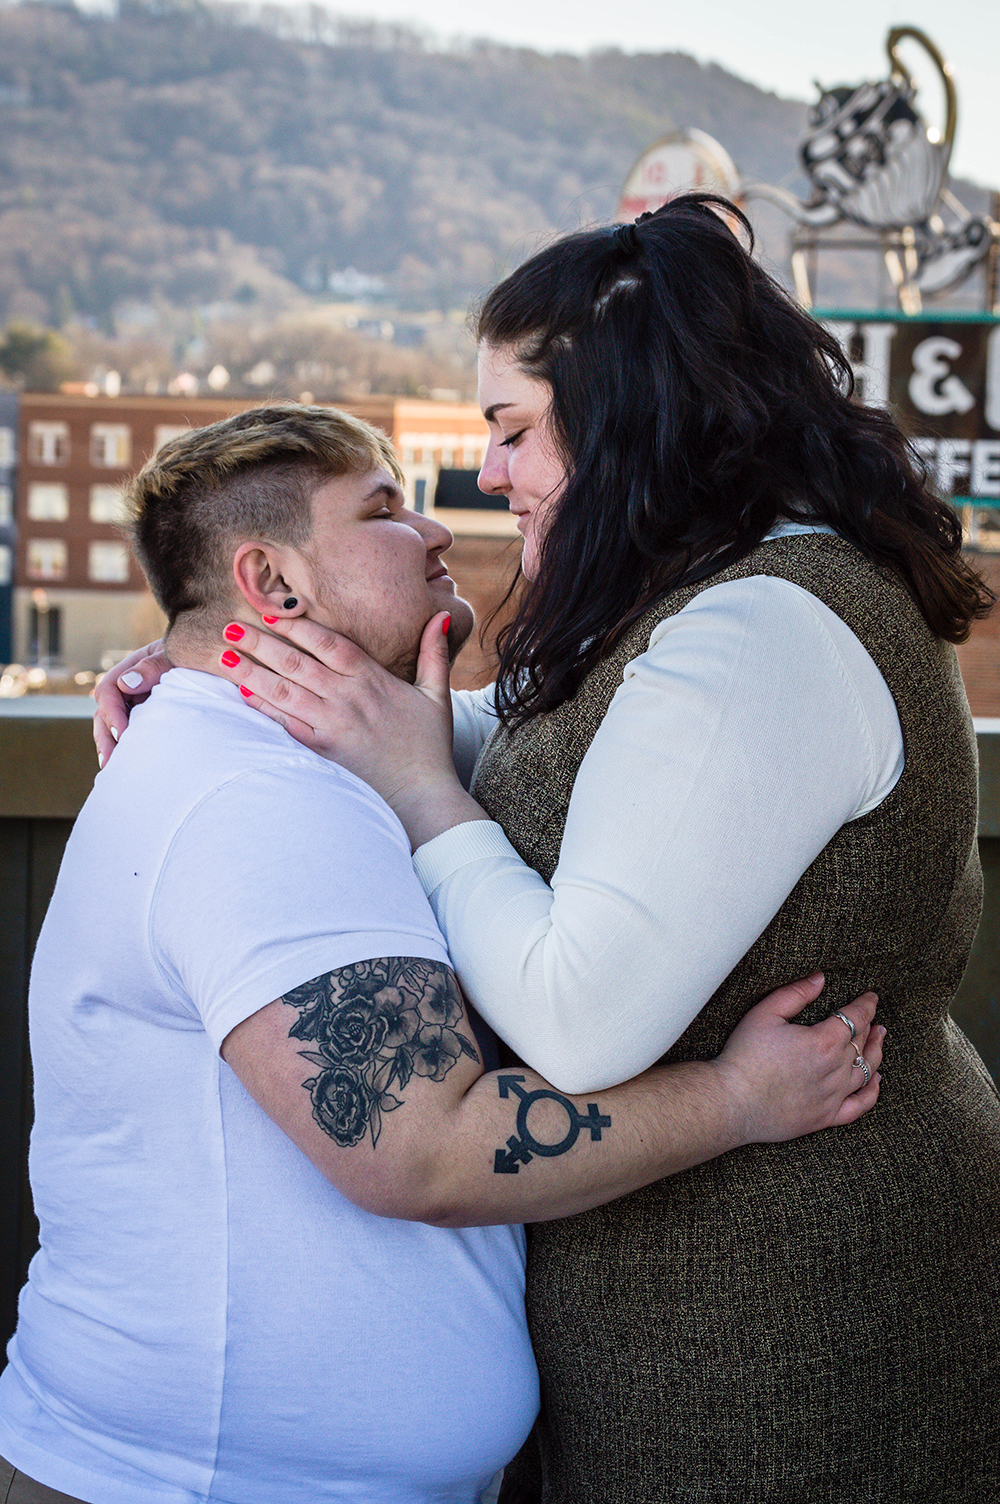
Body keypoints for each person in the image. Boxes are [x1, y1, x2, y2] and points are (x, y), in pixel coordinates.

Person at [176, 198, 1000, 1501]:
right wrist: (203, 682)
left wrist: (413, 791)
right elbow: (531, 748)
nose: (488, 474)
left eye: (512, 430)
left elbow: (580, 1020)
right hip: (691, 1296)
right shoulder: (703, 591)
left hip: (783, 1336)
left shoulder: (764, 638)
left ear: (625, 413)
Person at [1, 405, 882, 1504]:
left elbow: (500, 734)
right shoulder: (253, 802)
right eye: (380, 509)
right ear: (272, 585)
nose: (430, 529)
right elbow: (420, 1149)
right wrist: (735, 1099)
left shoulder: (290, 758)